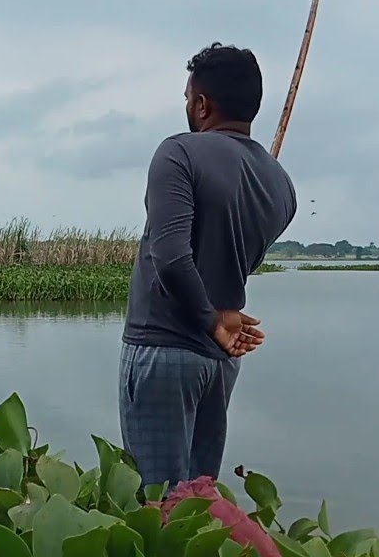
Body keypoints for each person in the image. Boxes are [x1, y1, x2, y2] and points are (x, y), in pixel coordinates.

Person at [119, 42, 297, 487]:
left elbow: (172, 256)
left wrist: (208, 320)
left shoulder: (178, 153)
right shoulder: (280, 184)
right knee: (198, 499)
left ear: (202, 104)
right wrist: (220, 324)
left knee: (157, 502)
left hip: (164, 347)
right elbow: (235, 260)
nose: (187, 106)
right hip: (221, 360)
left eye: (187, 98)